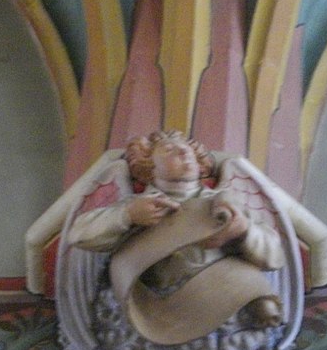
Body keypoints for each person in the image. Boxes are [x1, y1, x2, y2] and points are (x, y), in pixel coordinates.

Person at [68, 130, 285, 327]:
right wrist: (127, 216)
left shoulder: (225, 203)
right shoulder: (138, 206)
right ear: (149, 166)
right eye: (169, 150)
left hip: (223, 292)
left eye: (188, 150)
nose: (183, 152)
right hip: (161, 304)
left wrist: (245, 231)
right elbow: (78, 234)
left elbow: (275, 257)